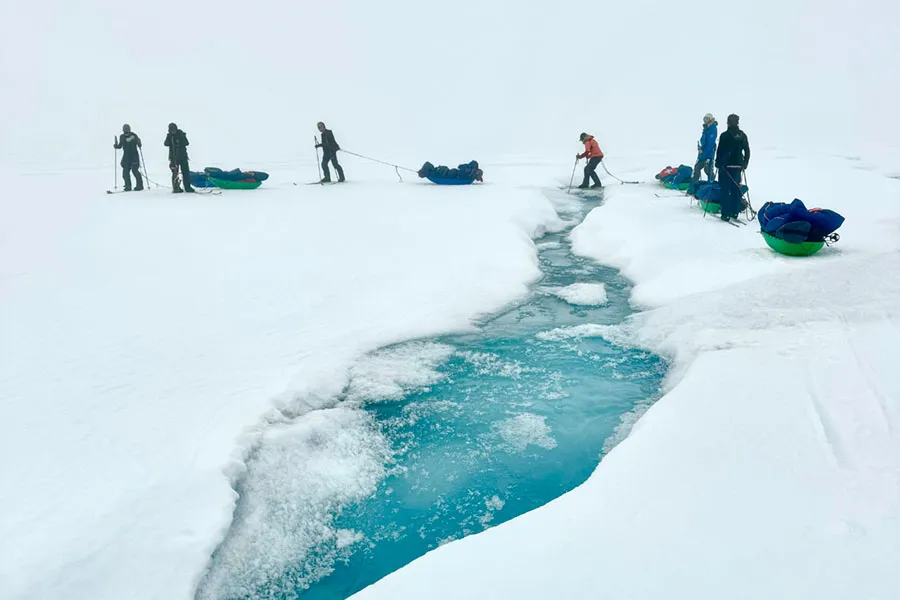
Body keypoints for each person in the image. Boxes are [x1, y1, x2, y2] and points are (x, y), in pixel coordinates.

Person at [715, 114, 750, 221]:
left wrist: (718, 163)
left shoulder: (724, 135)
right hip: (738, 166)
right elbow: (747, 151)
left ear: (728, 123)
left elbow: (720, 151)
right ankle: (735, 212)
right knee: (736, 189)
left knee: (725, 189)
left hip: (725, 167)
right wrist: (745, 163)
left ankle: (725, 214)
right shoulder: (742, 135)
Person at [164, 122, 194, 193]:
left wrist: (181, 139)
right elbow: (166, 144)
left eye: (174, 129)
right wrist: (170, 138)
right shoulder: (169, 136)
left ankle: (187, 187)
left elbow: (187, 143)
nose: (173, 131)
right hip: (174, 158)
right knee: (175, 173)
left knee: (185, 172)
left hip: (183, 156)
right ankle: (176, 187)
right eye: (171, 130)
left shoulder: (181, 134)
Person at [113, 124, 143, 191]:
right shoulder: (122, 137)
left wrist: (139, 143)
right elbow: (120, 146)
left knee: (135, 171)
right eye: (125, 130)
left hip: (134, 156)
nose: (126, 132)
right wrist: (116, 146)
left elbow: (138, 142)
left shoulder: (134, 135)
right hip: (126, 157)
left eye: (127, 130)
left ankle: (140, 185)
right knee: (125, 173)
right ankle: (128, 186)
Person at [692, 113, 717, 183]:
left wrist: (703, 151)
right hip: (702, 153)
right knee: (697, 168)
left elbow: (710, 143)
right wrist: (699, 147)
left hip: (708, 153)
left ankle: (711, 183)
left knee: (708, 169)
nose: (705, 121)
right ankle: (694, 185)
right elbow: (702, 140)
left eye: (707, 119)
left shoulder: (713, 129)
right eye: (704, 119)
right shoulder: (706, 129)